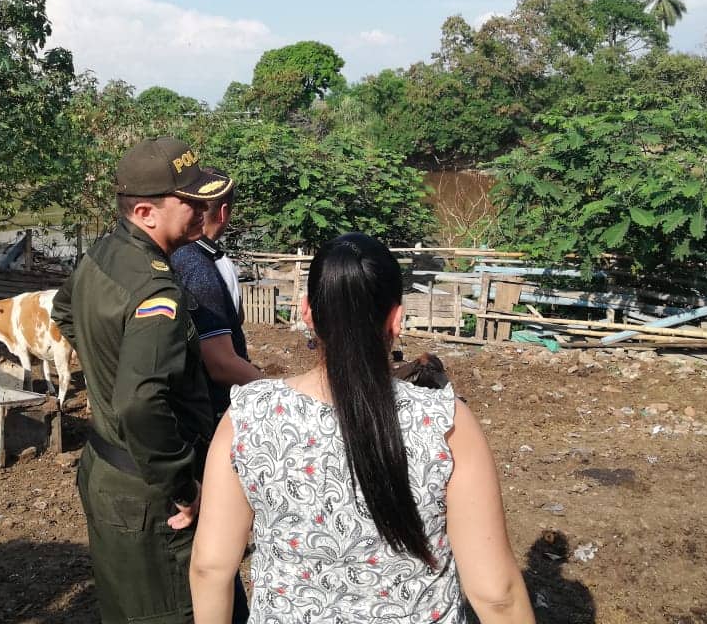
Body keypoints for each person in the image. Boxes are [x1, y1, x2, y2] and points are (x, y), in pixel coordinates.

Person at [190, 233, 536, 624]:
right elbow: (496, 595)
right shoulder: (445, 423)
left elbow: (210, 568)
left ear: (306, 312)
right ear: (397, 319)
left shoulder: (248, 415)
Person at [52, 136, 231, 624]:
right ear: (146, 213)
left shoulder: (102, 253)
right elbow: (139, 403)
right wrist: (183, 487)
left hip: (107, 468)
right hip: (150, 492)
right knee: (169, 611)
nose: (203, 211)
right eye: (190, 202)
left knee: (127, 608)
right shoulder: (156, 291)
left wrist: (107, 367)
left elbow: (63, 308)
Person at [171, 172, 260, 624]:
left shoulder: (178, 257)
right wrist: (276, 391)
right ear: (223, 213)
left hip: (187, 416)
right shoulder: (198, 267)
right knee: (217, 536)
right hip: (210, 418)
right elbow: (221, 361)